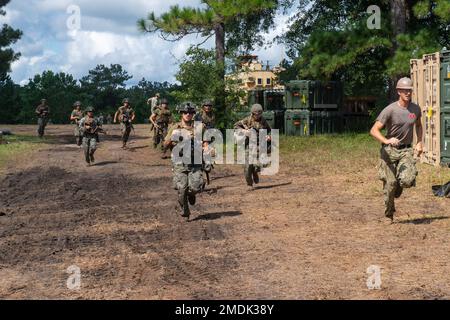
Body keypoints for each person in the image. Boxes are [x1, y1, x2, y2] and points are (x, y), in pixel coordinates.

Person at [370, 77, 423, 222]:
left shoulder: (415, 109)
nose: (408, 93)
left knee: (407, 180)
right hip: (390, 151)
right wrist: (387, 140)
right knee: (390, 185)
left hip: (406, 150)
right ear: (399, 91)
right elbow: (374, 130)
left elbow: (418, 125)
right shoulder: (390, 110)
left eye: (410, 90)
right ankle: (389, 214)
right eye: (405, 90)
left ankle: (400, 183)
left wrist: (419, 142)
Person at [163, 102, 208, 219]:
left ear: (193, 114)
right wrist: (172, 138)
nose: (188, 114)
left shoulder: (199, 127)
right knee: (181, 188)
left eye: (190, 112)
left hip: (195, 161)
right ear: (181, 113)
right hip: (179, 162)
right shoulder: (174, 127)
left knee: (195, 187)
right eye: (185, 112)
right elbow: (164, 145)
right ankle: (185, 210)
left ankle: (192, 193)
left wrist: (207, 149)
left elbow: (205, 142)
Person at [234, 103, 272, 189]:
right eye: (256, 114)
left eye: (259, 114)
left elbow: (269, 130)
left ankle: (255, 171)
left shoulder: (264, 121)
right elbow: (236, 126)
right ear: (252, 113)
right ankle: (249, 184)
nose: (257, 116)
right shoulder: (247, 120)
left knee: (263, 163)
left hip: (261, 146)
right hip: (249, 146)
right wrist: (244, 131)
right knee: (247, 167)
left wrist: (269, 136)